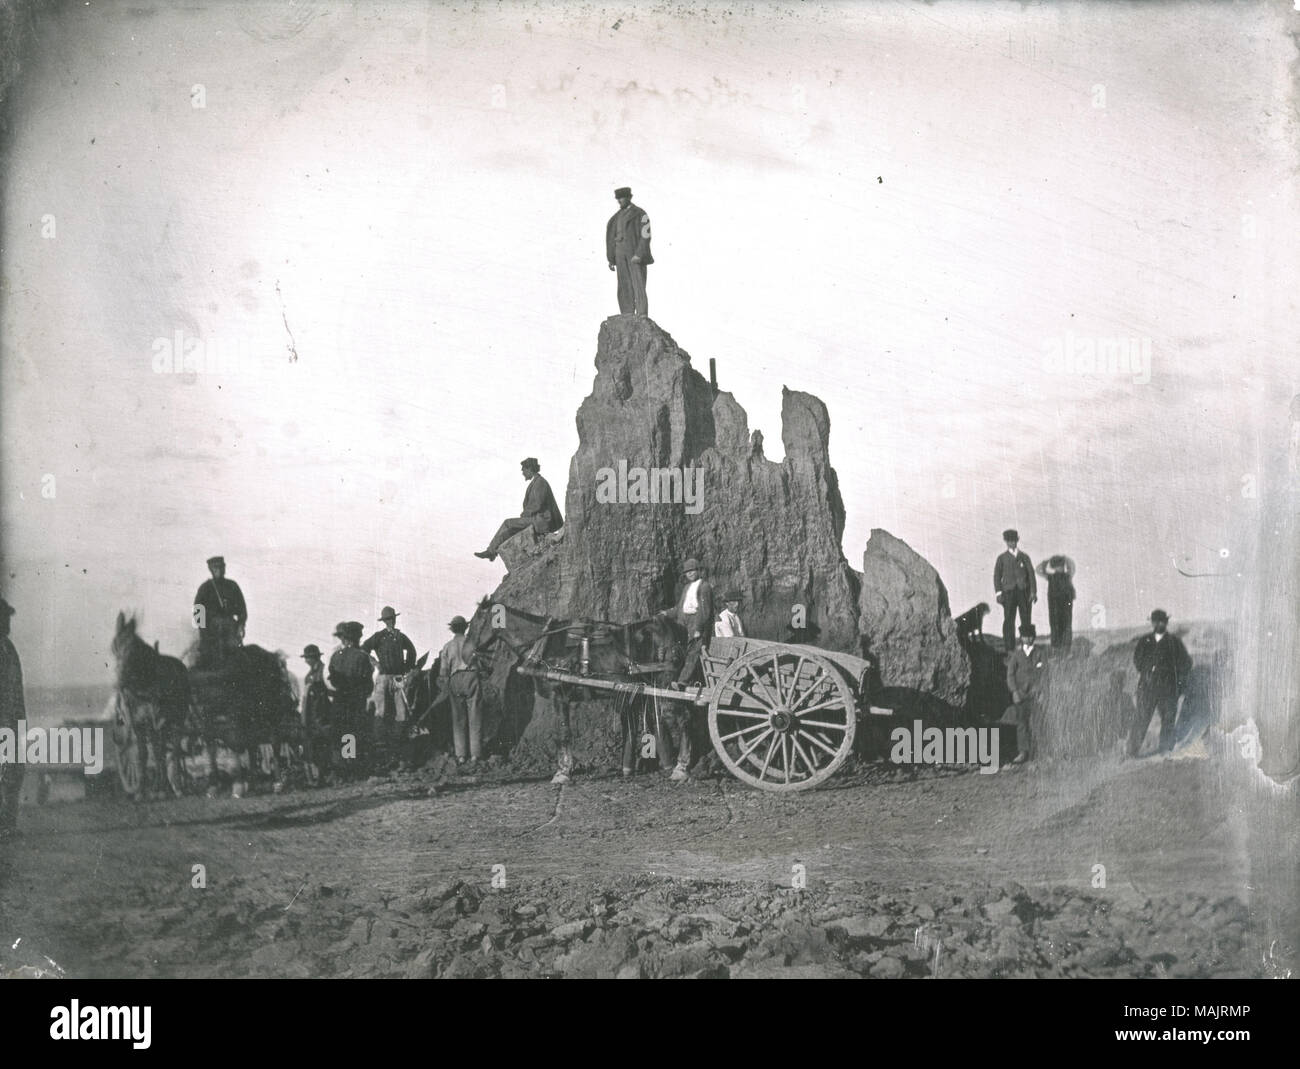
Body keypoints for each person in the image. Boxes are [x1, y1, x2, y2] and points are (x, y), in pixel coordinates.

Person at [1128, 609, 1192, 758]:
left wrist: (1178, 684)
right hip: (1147, 688)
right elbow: (1137, 660)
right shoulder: (1145, 641)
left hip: (1168, 690)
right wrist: (1147, 671)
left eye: (1162, 621)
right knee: (1141, 718)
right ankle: (1132, 751)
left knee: (1168, 719)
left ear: (1166, 623)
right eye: (1156, 621)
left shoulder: (1174, 642)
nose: (1159, 624)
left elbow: (1186, 663)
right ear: (1152, 623)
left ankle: (1165, 751)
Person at [475, 458, 564, 561]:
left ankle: (490, 551)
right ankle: (492, 551)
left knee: (507, 523)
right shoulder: (537, 481)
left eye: (523, 470)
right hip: (538, 519)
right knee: (510, 529)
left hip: (542, 521)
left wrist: (524, 515)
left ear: (530, 469)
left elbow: (537, 505)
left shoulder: (540, 483)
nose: (522, 473)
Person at [363, 606, 419, 770]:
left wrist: (407, 666)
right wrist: (375, 663)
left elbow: (412, 651)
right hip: (383, 678)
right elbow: (364, 649)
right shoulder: (379, 637)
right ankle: (383, 755)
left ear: (394, 619)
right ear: (384, 621)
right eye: (388, 620)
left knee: (402, 713)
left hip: (398, 677)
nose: (390, 622)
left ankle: (400, 754)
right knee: (381, 713)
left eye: (391, 619)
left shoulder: (400, 637)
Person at [328, 622, 374, 779]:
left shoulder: (335, 656)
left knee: (340, 732)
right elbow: (368, 683)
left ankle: (340, 768)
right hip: (355, 700)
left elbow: (332, 679)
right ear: (357, 638)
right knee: (351, 733)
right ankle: (351, 768)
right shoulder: (361, 657)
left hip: (339, 699)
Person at [439, 616, 483, 770]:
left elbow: (443, 671)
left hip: (455, 679)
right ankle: (475, 755)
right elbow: (480, 663)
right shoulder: (472, 644)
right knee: (475, 716)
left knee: (458, 719)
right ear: (465, 628)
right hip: (471, 677)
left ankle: (461, 755)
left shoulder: (447, 647)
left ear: (452, 629)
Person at [606, 186, 653, 316]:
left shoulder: (640, 214)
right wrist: (611, 258)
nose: (619, 201)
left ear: (629, 198)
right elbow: (611, 238)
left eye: (622, 198)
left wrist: (639, 254)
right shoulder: (615, 217)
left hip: (634, 254)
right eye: (618, 199)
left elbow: (646, 235)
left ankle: (642, 313)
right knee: (623, 284)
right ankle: (627, 313)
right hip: (619, 254)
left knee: (638, 284)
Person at [193, 555, 248, 667]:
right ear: (210, 569)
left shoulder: (232, 586)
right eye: (215, 567)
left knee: (236, 654)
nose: (218, 570)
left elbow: (242, 608)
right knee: (207, 657)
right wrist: (203, 632)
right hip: (211, 629)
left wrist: (241, 624)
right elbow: (198, 611)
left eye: (221, 567)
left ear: (224, 568)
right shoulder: (205, 588)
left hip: (230, 626)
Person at [0, 597, 25, 838]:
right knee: (8, 774)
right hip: (5, 725)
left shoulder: (8, 648)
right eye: (4, 616)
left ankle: (8, 824)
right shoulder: (5, 649)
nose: (8, 621)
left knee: (12, 774)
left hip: (12, 725)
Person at [1004, 624, 1045, 765]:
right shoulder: (1016, 655)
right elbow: (1010, 675)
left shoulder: (1039, 654)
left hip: (1035, 694)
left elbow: (1043, 674)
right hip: (1021, 695)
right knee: (1022, 723)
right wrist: (1014, 691)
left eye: (1030, 636)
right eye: (1025, 636)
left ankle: (1040, 751)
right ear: (1021, 638)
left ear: (1034, 637)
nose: (1028, 639)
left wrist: (1040, 691)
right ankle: (1023, 752)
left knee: (1038, 723)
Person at [993, 529, 1036, 653]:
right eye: (1009, 541)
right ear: (1006, 542)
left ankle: (1027, 647)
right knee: (1008, 620)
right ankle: (1009, 649)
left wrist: (1033, 592)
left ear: (1017, 540)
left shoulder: (1024, 557)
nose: (1012, 543)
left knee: (1026, 619)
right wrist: (999, 593)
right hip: (1008, 593)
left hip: (1024, 592)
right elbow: (996, 576)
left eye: (1014, 540)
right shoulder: (1001, 558)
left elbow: (1031, 575)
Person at [299, 644, 331, 785]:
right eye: (306, 658)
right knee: (315, 747)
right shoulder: (309, 675)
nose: (306, 661)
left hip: (323, 714)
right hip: (312, 716)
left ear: (315, 658)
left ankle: (325, 776)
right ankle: (318, 777)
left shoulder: (324, 671)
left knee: (324, 744)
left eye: (308, 658)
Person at [1041, 554, 1076, 650]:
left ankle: (1066, 646)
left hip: (1066, 602)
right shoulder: (1050, 576)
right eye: (1057, 566)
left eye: (1061, 566)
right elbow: (1039, 569)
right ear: (1053, 567)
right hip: (1054, 603)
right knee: (1055, 623)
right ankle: (1056, 646)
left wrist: (1066, 558)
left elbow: (1072, 566)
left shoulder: (1067, 575)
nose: (1059, 568)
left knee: (1067, 623)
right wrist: (1047, 560)